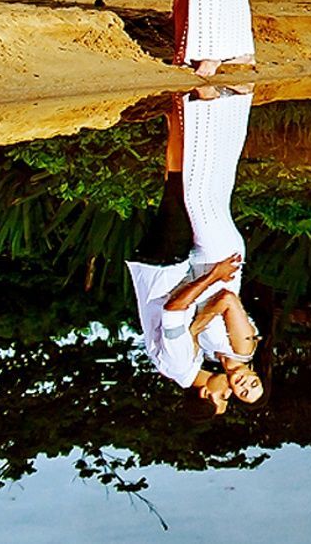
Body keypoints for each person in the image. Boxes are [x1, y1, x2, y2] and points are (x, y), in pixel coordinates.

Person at [126, 85, 265, 413]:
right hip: (199, 262)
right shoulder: (219, 355)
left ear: (207, 395)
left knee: (185, 189)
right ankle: (187, 111)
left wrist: (200, 315)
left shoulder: (182, 365)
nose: (233, 391)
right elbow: (224, 301)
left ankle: (188, 108)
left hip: (167, 268)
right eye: (247, 389)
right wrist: (202, 315)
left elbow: (175, 311)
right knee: (190, 188)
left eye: (229, 397)